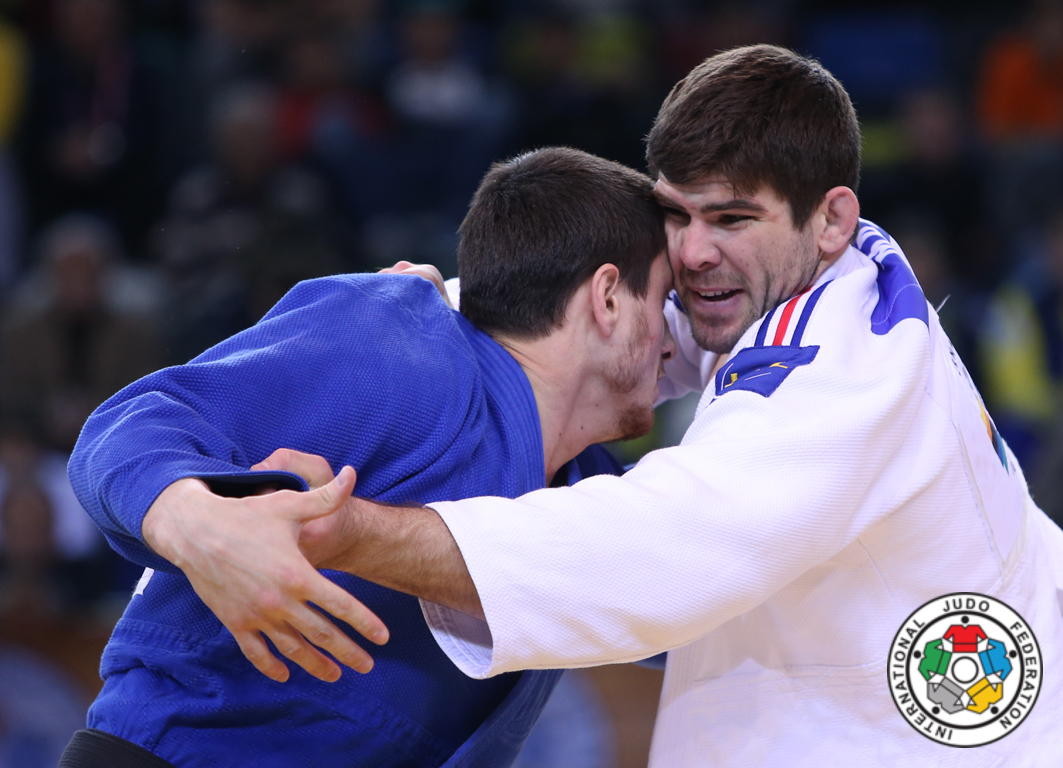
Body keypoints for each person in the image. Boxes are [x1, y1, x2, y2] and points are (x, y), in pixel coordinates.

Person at [182, 45, 1063, 765]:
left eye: (728, 220)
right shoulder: (819, 267)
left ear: (829, 217)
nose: (691, 254)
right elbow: (616, 330)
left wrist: (352, 533)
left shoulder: (844, 382)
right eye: (675, 215)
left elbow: (654, 550)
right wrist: (436, 308)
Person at [60, 147, 677, 767]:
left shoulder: (591, 498)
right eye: (664, 300)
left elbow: (704, 611)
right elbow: (132, 424)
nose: (676, 344)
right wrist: (196, 522)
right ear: (608, 299)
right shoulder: (405, 339)